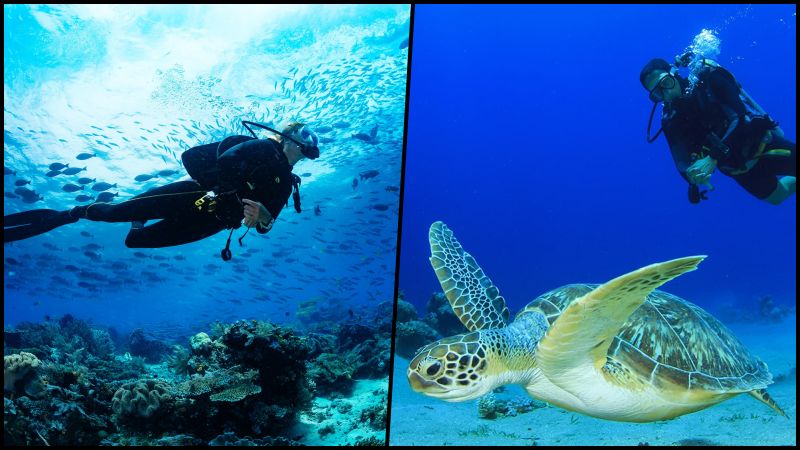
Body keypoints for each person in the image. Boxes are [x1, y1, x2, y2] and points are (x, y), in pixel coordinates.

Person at [4, 121, 319, 259]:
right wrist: (228, 192)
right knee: (111, 213)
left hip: (214, 222)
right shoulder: (262, 148)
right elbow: (221, 161)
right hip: (193, 195)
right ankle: (70, 213)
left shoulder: (287, 183)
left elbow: (267, 225)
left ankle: (137, 221)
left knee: (136, 240)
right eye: (307, 133)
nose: (312, 141)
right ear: (289, 136)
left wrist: (262, 219)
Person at [640, 54, 795, 205]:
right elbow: (681, 160)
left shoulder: (708, 80)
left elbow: (739, 119)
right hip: (739, 169)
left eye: (666, 83)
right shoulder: (670, 120)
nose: (666, 93)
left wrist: (713, 157)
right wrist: (693, 177)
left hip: (763, 145)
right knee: (777, 197)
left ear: (674, 73)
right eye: (658, 93)